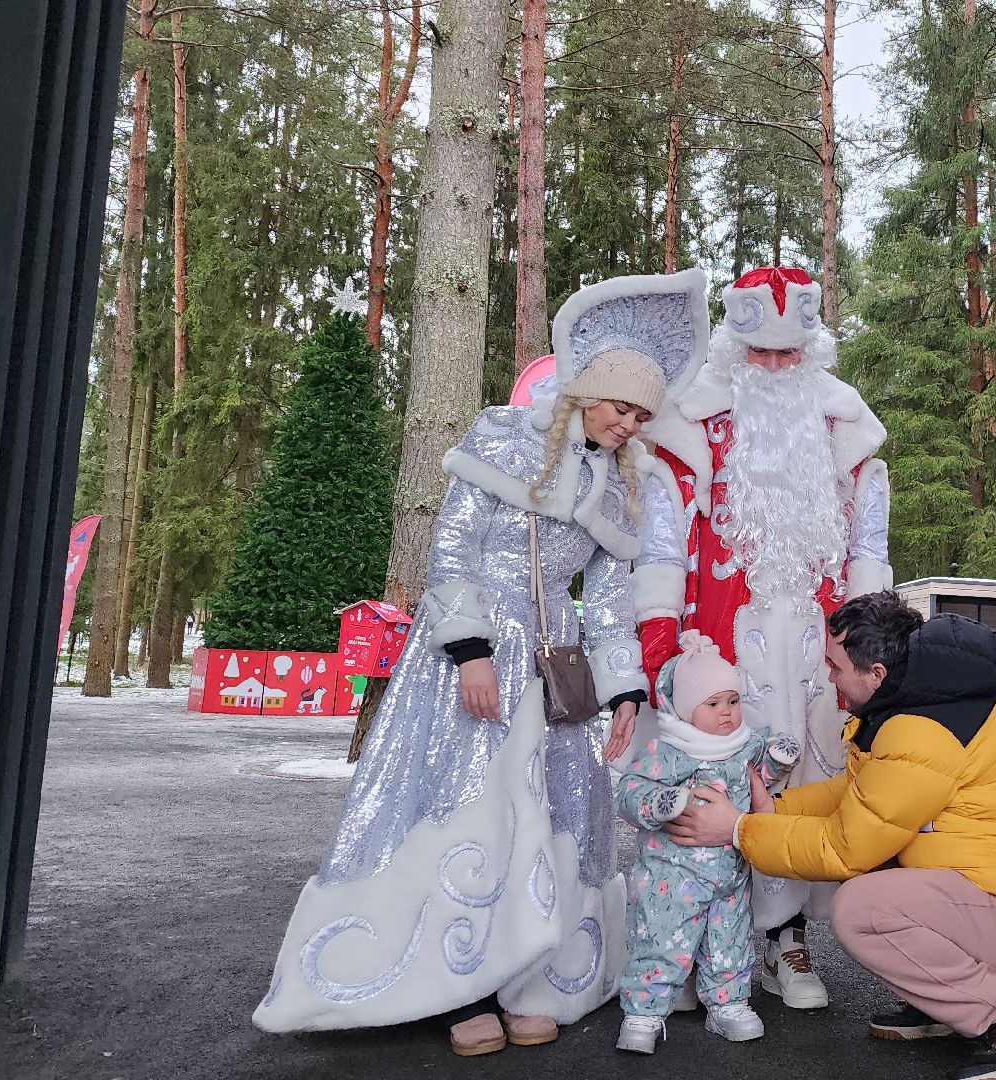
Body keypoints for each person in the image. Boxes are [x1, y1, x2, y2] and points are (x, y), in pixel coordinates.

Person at [251, 270, 711, 1056]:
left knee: (555, 813)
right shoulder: (501, 441)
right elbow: (452, 553)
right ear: (585, 391)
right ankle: (453, 988)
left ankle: (528, 979)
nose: (629, 424)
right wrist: (470, 652)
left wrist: (624, 688)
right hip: (475, 654)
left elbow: (607, 599)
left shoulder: (620, 484)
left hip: (553, 663)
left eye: (642, 415)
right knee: (472, 807)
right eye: (619, 406)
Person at [667, 592, 996, 1080]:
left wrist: (740, 830)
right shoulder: (925, 696)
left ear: (875, 673)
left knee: (863, 909)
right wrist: (774, 807)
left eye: (835, 666)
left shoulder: (923, 730)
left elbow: (845, 847)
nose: (829, 677)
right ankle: (946, 1003)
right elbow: (866, 793)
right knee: (881, 865)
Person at [634, 264, 893, 1008]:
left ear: (812, 352)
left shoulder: (846, 432)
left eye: (789, 354)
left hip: (821, 650)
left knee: (809, 784)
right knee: (713, 786)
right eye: (761, 353)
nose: (776, 368)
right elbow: (661, 549)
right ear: (734, 350)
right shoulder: (693, 429)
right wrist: (660, 646)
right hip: (720, 651)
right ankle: (691, 943)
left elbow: (868, 549)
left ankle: (786, 940)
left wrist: (873, 651)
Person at [611, 630, 799, 1054]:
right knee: (661, 940)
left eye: (732, 701)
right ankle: (643, 1011)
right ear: (684, 708)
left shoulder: (744, 745)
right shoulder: (667, 752)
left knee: (729, 943)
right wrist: (659, 803)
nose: (726, 712)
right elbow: (629, 792)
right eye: (712, 704)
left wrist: (778, 759)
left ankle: (728, 1004)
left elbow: (760, 779)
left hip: (729, 876)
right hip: (671, 879)